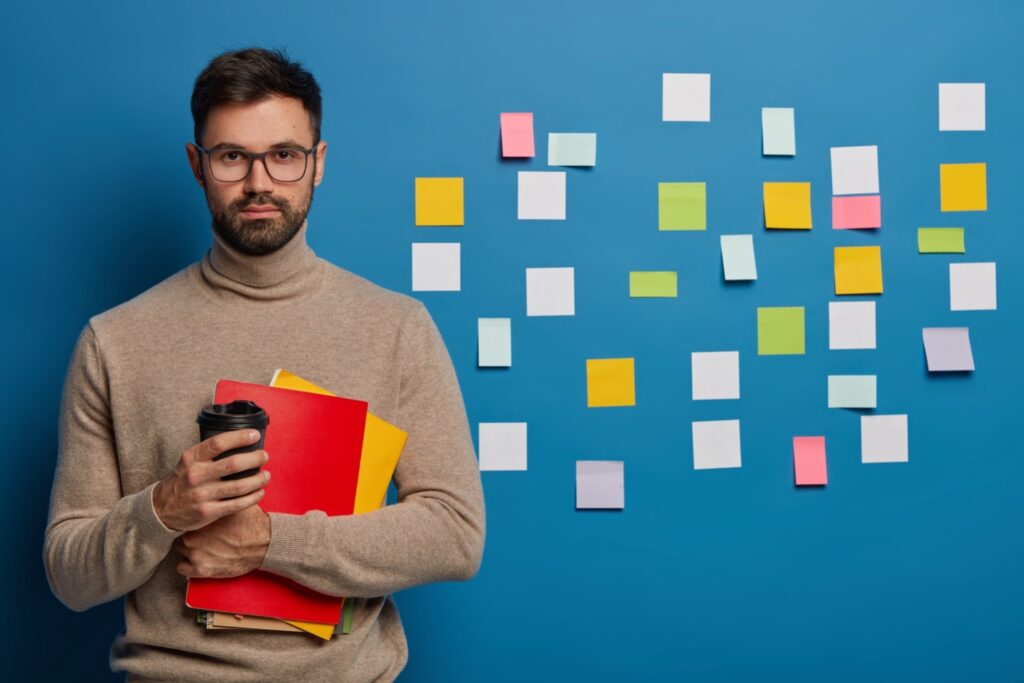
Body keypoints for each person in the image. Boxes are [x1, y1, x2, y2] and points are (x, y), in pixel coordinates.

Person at [43, 47, 485, 682]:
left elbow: (456, 534)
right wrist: (163, 508)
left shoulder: (397, 328)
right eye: (232, 157)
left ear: (318, 164)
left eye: (283, 155)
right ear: (197, 166)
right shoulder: (113, 341)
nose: (259, 183)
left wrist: (271, 543)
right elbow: (68, 576)